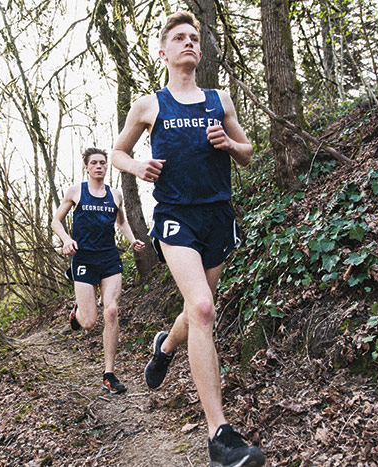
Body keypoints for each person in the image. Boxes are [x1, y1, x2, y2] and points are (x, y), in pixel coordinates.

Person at [111, 11, 265, 467]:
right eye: (179, 38)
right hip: (176, 218)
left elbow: (250, 154)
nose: (188, 43)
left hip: (218, 216)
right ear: (163, 52)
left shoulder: (220, 101)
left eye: (194, 38)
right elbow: (118, 151)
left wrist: (230, 146)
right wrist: (137, 166)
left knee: (194, 312)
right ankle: (220, 437)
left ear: (200, 50)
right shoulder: (149, 105)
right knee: (203, 308)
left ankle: (164, 346)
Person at [51, 147, 145, 395]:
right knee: (90, 322)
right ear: (87, 167)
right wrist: (65, 240)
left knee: (112, 310)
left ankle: (109, 374)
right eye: (94, 163)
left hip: (109, 258)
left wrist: (132, 239)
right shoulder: (76, 192)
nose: (99, 166)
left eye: (103, 162)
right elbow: (55, 221)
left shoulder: (115, 195)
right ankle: (77, 312)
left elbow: (121, 222)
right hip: (83, 259)